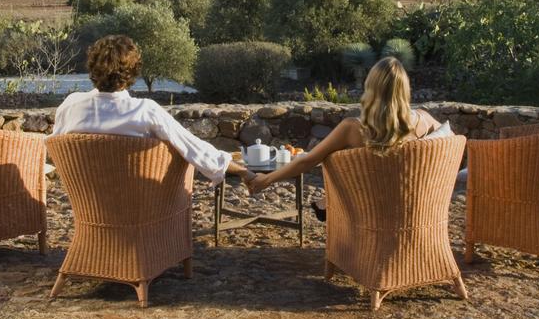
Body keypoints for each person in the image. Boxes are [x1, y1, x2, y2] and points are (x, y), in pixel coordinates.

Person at [247, 57, 454, 217]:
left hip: (371, 215)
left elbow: (308, 161)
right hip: (416, 210)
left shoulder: (354, 128)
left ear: (371, 88)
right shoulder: (426, 121)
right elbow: (453, 142)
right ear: (404, 89)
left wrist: (266, 179)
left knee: (330, 195)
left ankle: (331, 214)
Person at [52, 34, 254, 185]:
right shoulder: (144, 110)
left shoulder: (70, 105)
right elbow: (196, 150)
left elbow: (55, 149)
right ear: (133, 72)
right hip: (144, 207)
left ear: (92, 68)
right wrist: (245, 172)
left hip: (89, 206)